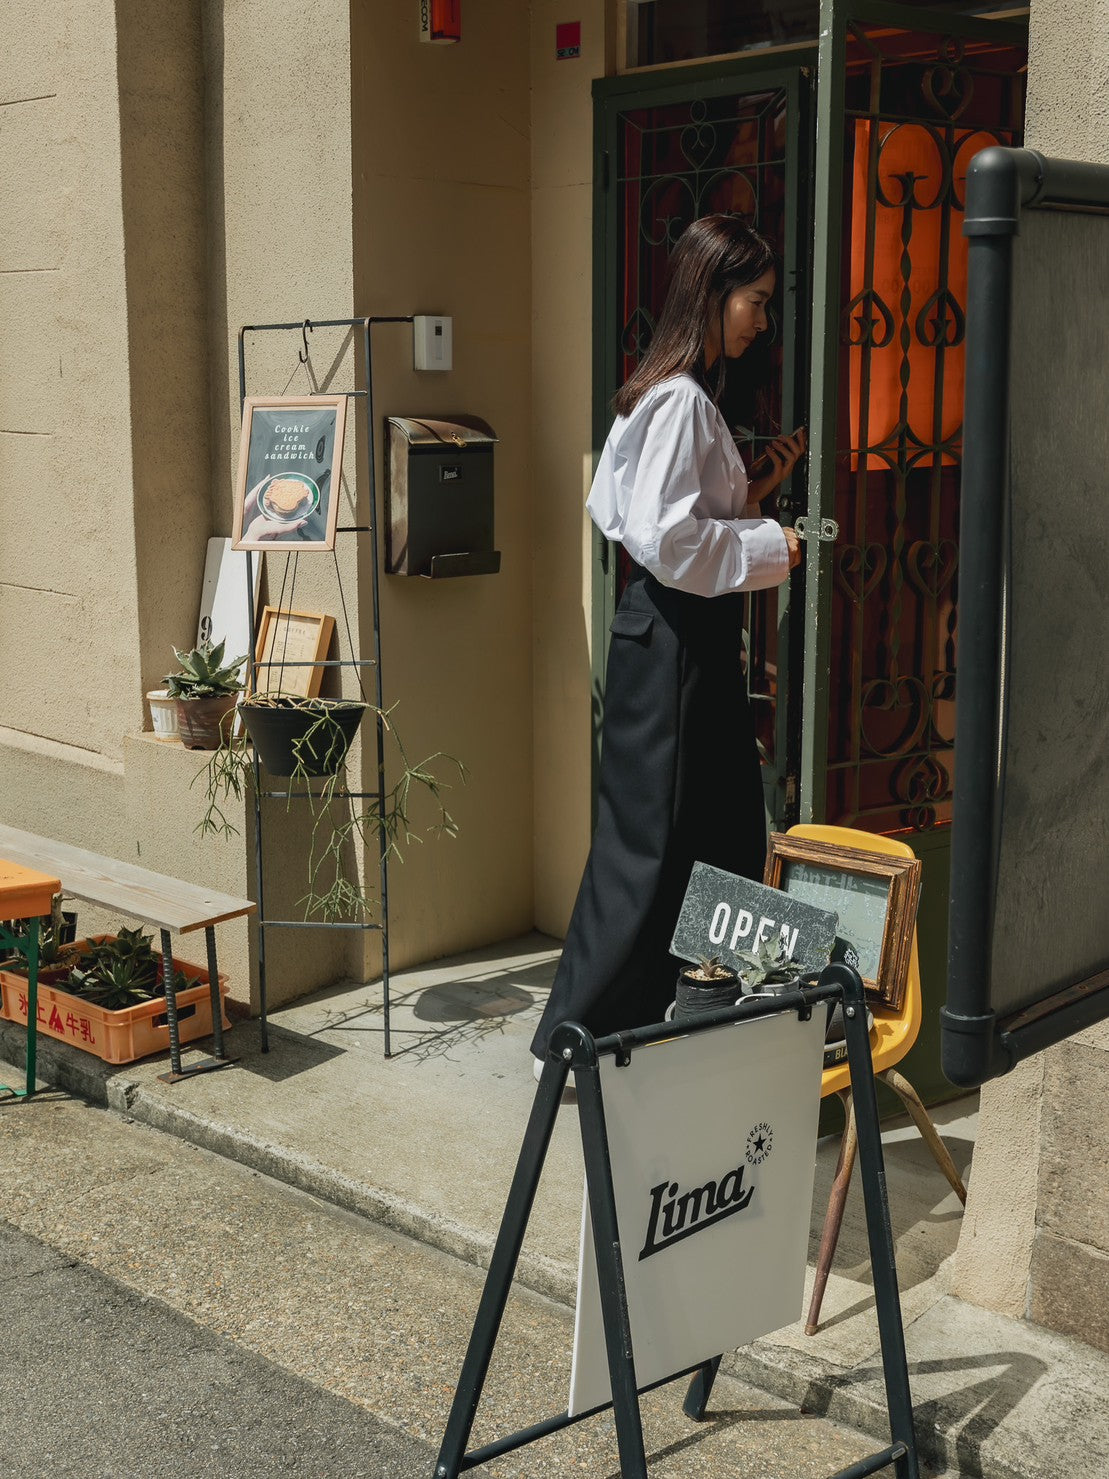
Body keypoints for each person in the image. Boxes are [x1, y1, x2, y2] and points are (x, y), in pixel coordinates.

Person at [531, 214, 806, 1069]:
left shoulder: (668, 391)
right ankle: (573, 1040)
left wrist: (754, 491)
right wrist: (780, 546)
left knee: (710, 829)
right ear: (712, 292)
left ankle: (691, 1014)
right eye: (752, 300)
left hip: (672, 637)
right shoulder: (682, 399)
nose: (760, 319)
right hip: (676, 638)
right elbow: (670, 543)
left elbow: (656, 525)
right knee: (652, 843)